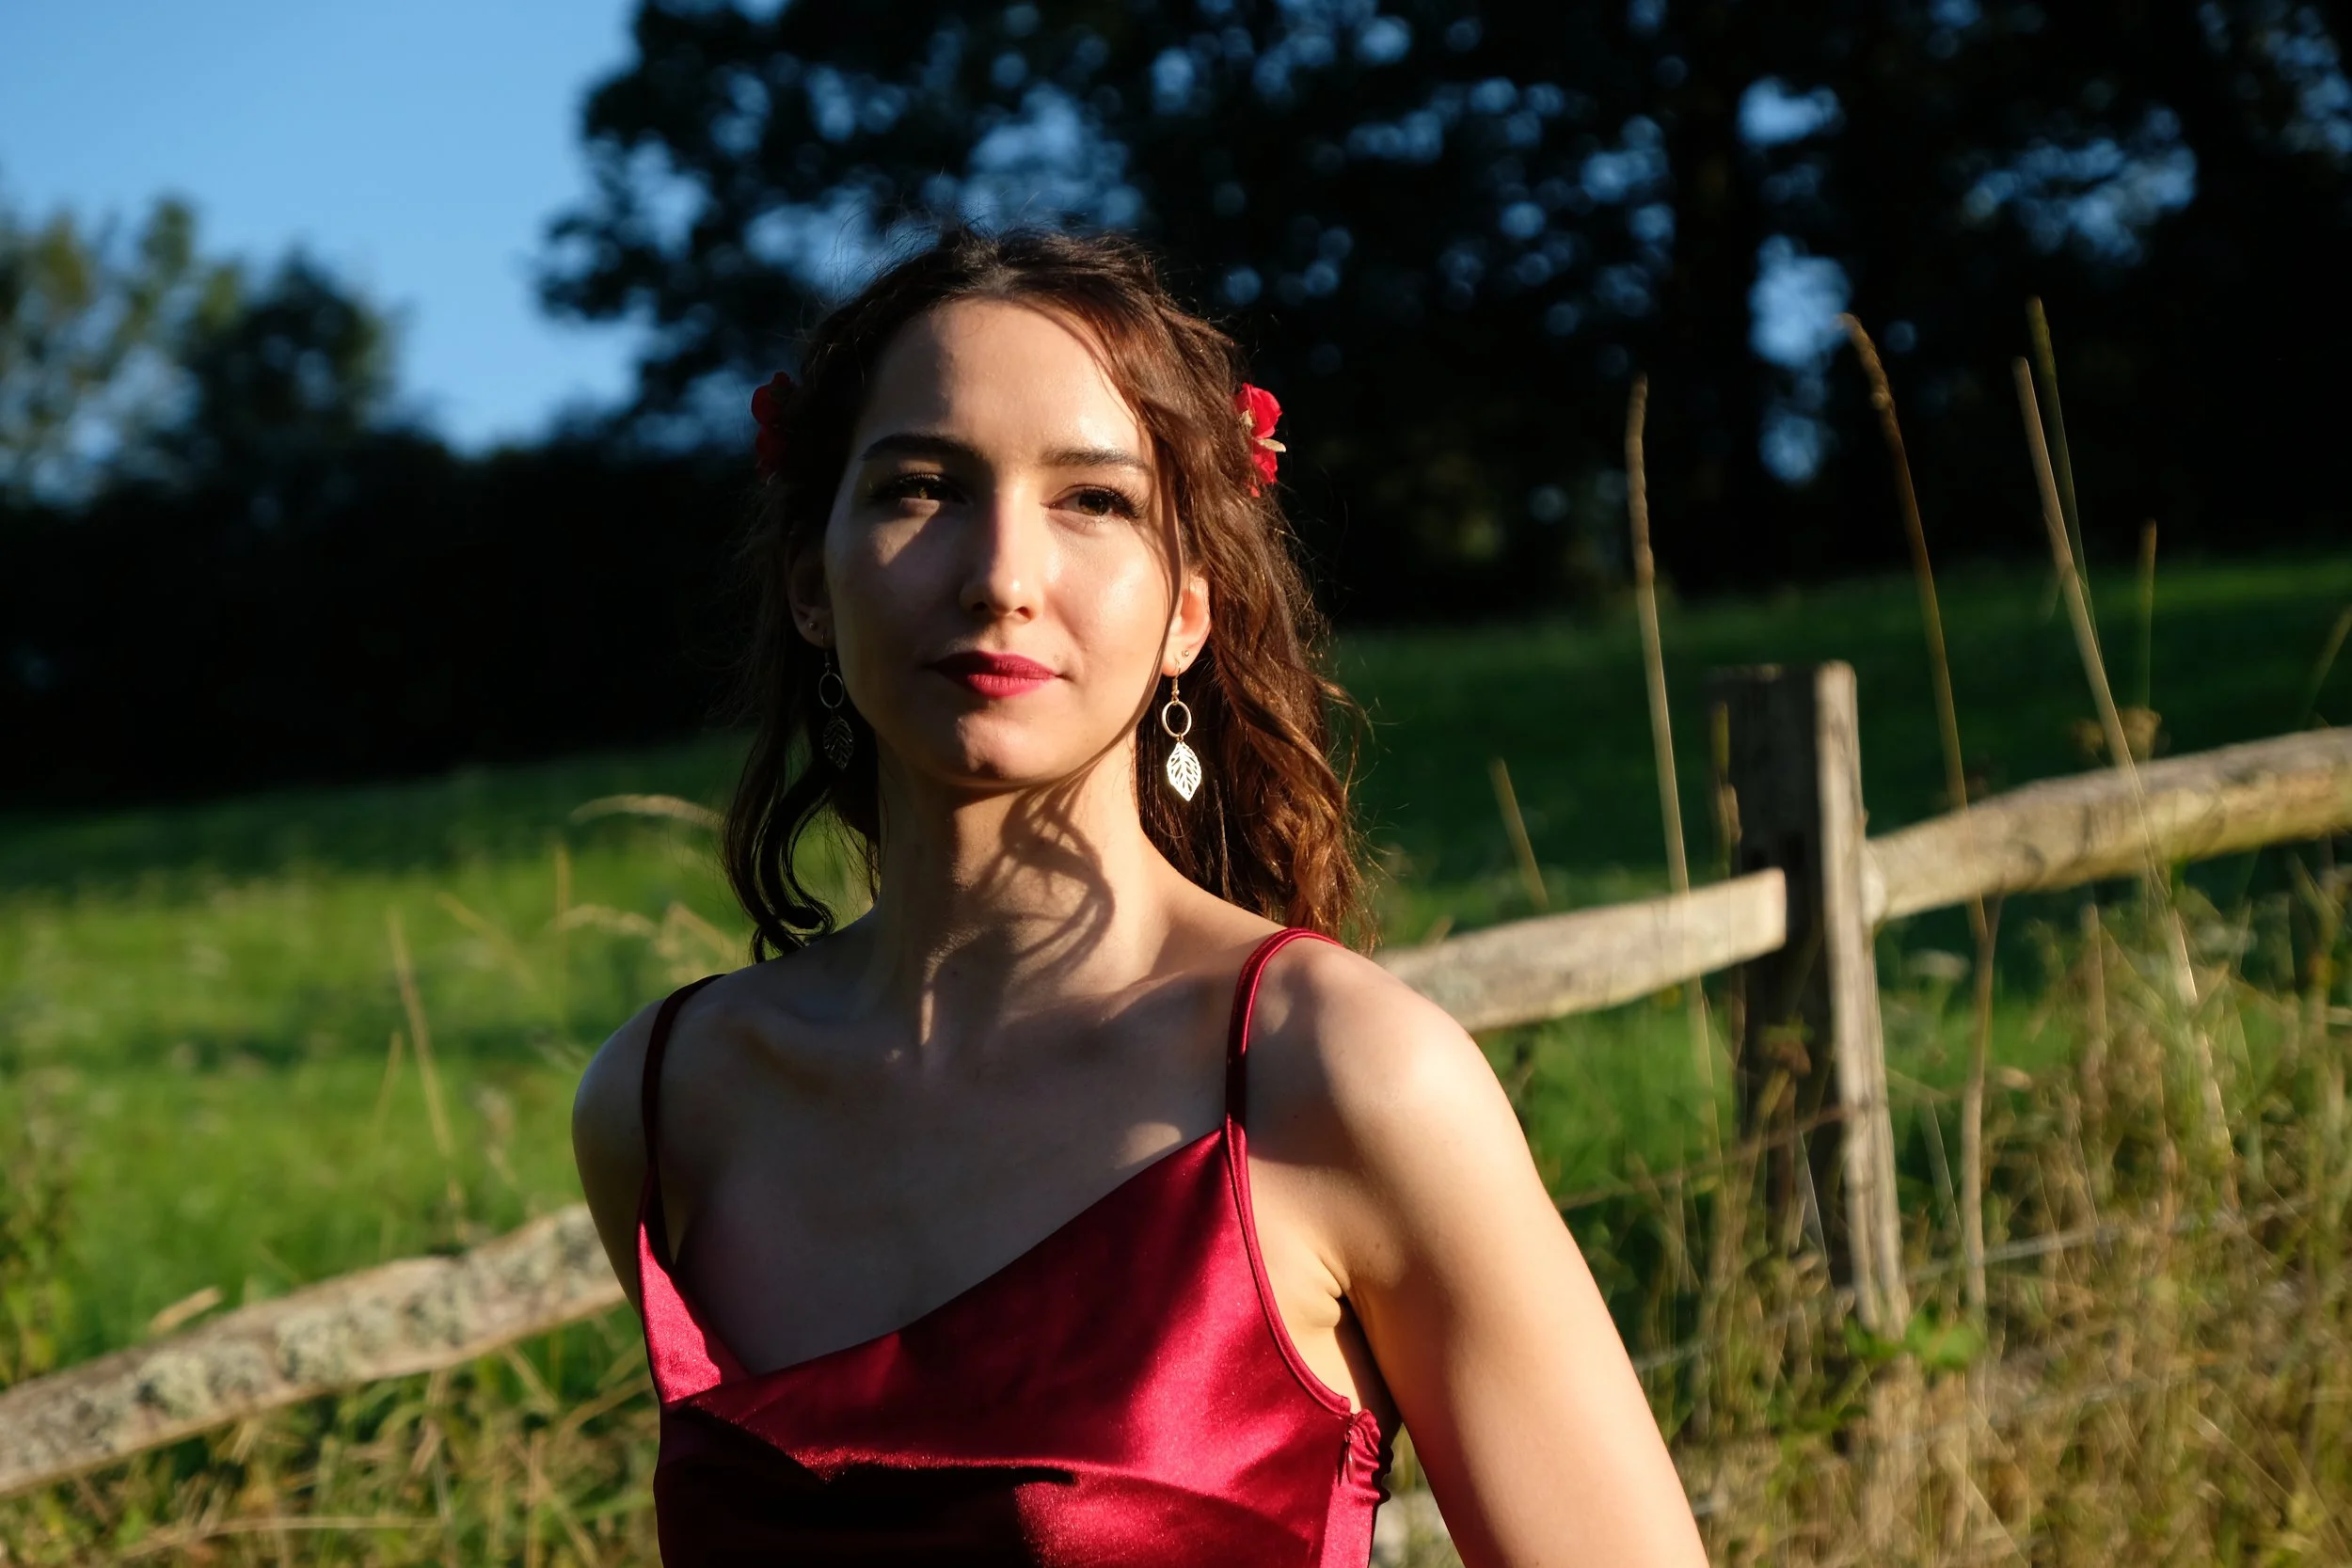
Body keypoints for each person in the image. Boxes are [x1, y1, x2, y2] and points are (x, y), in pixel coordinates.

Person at [571, 226, 1706, 1567]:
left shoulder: (1335, 1075)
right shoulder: (673, 1098)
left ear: (1189, 608)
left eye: (1094, 500)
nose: (1001, 576)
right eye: (922, 487)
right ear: (811, 583)